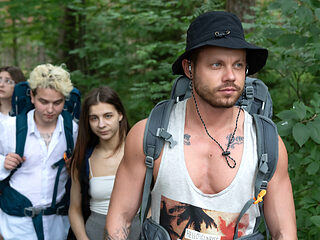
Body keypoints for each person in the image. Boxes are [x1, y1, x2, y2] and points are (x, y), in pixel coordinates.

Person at [105, 11, 297, 239]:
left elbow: (284, 232)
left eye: (238, 65)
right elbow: (120, 219)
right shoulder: (149, 135)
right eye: (216, 64)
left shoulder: (266, 144)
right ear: (189, 68)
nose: (230, 76)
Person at [0, 63, 78, 239]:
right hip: (16, 225)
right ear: (33, 96)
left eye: (57, 103)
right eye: (44, 101)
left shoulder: (71, 129)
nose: (50, 110)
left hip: (57, 226)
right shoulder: (9, 128)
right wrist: (2, 162)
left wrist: (74, 166)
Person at [68, 86, 140, 240]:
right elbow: (74, 209)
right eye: (94, 118)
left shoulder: (140, 151)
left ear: (120, 114)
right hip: (95, 233)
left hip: (138, 232)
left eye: (108, 116)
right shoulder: (82, 159)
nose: (101, 124)